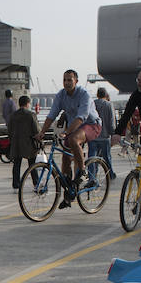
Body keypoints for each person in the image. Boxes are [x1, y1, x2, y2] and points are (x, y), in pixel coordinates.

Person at [40, 69, 99, 208]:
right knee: (65, 158)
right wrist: (41, 132)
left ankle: (83, 172)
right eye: (64, 80)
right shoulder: (61, 95)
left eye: (69, 80)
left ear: (76, 81)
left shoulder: (84, 95)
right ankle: (69, 193)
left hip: (91, 125)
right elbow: (52, 114)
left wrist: (67, 132)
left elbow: (81, 117)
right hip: (74, 128)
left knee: (72, 140)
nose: (66, 83)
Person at [7, 95, 40, 188]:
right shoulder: (31, 115)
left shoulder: (13, 115)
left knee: (16, 164)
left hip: (16, 143)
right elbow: (36, 129)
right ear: (27, 103)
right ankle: (36, 182)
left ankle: (16, 183)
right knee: (32, 164)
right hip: (28, 143)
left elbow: (9, 129)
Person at [92, 87, 117, 178]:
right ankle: (110, 174)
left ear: (97, 94)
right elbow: (111, 121)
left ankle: (92, 176)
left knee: (93, 158)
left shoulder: (93, 104)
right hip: (105, 135)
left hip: (93, 136)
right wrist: (113, 133)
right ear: (105, 94)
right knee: (107, 157)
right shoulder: (109, 104)